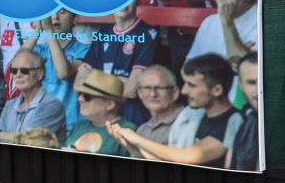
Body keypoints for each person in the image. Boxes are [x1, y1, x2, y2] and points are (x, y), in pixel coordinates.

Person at [107, 54, 243, 168]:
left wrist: (137, 139)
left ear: (217, 90)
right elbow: (168, 160)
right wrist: (131, 146)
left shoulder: (234, 120)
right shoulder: (199, 117)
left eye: (192, 85)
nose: (184, 91)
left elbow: (187, 155)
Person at [76, 1, 156, 126]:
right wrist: (120, 81)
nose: (124, 3)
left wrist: (97, 80)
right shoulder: (103, 33)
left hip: (132, 120)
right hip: (102, 119)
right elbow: (79, 82)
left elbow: (131, 90)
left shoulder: (147, 34)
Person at [22, 10, 87, 136]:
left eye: (62, 12)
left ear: (75, 19)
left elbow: (63, 72)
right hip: (42, 126)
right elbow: (18, 63)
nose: (55, 17)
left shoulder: (84, 50)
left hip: (71, 129)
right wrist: (38, 31)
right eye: (51, 13)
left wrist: (49, 31)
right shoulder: (41, 50)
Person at [186, 0, 257, 68]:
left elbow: (246, 69)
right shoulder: (209, 23)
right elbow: (187, 70)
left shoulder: (260, 18)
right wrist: (239, 53)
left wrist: (227, 21)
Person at [0, 49, 66, 145]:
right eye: (14, 70)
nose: (18, 75)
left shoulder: (52, 105)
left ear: (39, 74)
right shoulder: (9, 105)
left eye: (24, 70)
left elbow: (31, 142)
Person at [110, 65, 183, 155]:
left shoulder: (185, 121)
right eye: (147, 88)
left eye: (159, 88)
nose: (153, 94)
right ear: (140, 93)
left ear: (174, 92)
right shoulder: (142, 130)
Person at [65, 70, 133, 157]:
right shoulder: (79, 126)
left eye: (87, 96)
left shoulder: (127, 131)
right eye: (80, 94)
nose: (80, 99)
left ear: (110, 104)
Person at [227, 53, 260, 170]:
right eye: (251, 83)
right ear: (240, 85)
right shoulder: (238, 120)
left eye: (264, 80)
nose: (258, 90)